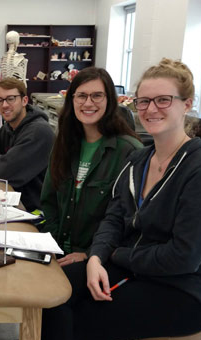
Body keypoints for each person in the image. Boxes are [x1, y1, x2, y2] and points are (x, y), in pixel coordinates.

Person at [39, 59, 201, 340]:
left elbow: (185, 256)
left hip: (186, 290)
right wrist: (94, 258)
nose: (151, 109)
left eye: (163, 100)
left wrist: (114, 256)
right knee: (49, 294)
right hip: (136, 269)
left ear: (187, 104)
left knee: (66, 318)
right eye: (144, 101)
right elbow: (114, 218)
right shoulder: (140, 159)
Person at [40, 67, 142, 267]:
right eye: (82, 96)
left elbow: (129, 222)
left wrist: (89, 254)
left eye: (97, 96)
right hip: (58, 250)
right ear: (72, 100)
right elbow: (49, 200)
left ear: (109, 101)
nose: (88, 103)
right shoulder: (64, 143)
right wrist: (52, 246)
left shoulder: (129, 152)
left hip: (98, 259)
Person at [0, 77, 54, 212]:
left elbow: (2, 173)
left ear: (24, 101)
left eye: (11, 98)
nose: (5, 105)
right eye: (0, 100)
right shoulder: (8, 128)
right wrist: (1, 159)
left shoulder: (38, 132)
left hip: (36, 212)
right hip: (13, 201)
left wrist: (1, 161)